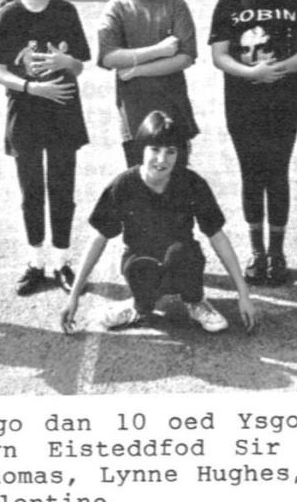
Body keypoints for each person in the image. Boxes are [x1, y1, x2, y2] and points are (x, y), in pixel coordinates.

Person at [60, 111, 257, 335]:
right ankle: (138, 306)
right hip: (142, 263)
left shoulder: (192, 183)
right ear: (141, 148)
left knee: (181, 252)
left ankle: (195, 301)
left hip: (181, 261)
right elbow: (98, 239)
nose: (162, 160)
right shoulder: (123, 185)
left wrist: (244, 294)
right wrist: (73, 296)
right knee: (138, 266)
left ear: (179, 153)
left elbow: (217, 236)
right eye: (155, 149)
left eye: (170, 151)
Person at [0, 0, 91, 296]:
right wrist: (31, 88)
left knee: (62, 188)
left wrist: (65, 62)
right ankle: (35, 262)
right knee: (31, 192)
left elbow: (80, 65)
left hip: (62, 110)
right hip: (25, 113)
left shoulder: (66, 12)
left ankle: (61, 262)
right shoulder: (8, 15)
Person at [209, 0, 297, 287]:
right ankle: (256, 252)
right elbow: (220, 55)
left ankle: (277, 252)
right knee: (252, 175)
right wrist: (252, 72)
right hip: (243, 103)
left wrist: (279, 69)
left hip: (284, 101)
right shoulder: (229, 2)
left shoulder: (293, 1)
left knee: (277, 173)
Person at [98, 0, 199, 168]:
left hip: (174, 110)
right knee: (138, 181)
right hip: (135, 114)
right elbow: (109, 56)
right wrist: (159, 51)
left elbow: (185, 57)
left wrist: (137, 70)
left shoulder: (176, 5)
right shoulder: (117, 7)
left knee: (177, 181)